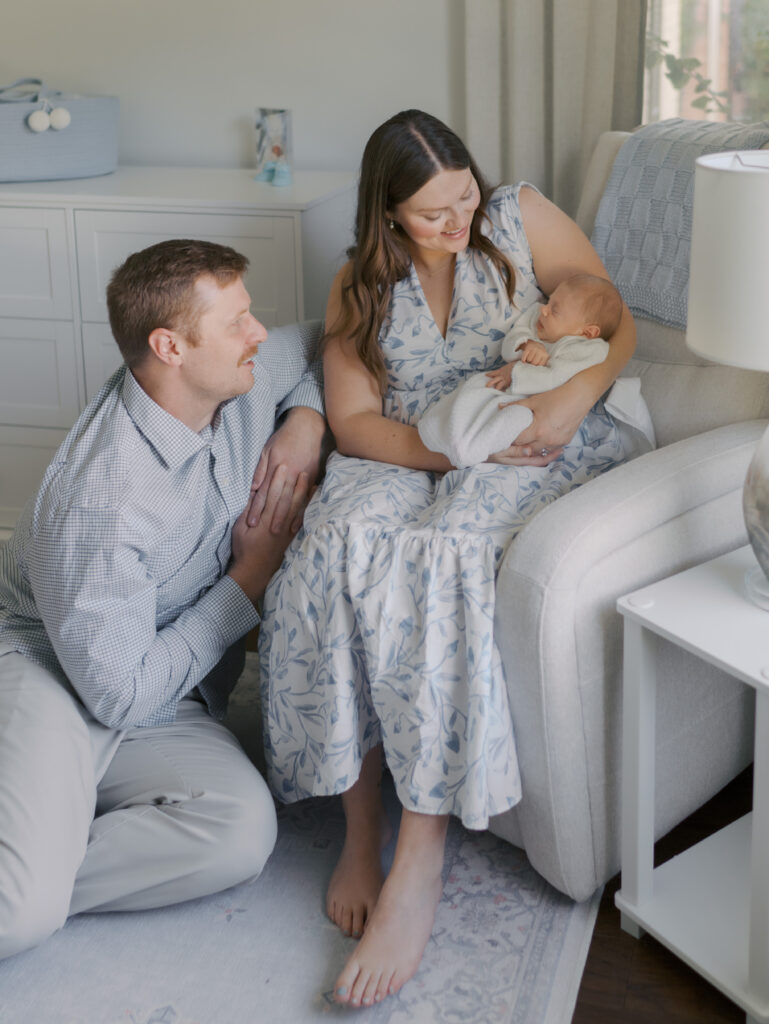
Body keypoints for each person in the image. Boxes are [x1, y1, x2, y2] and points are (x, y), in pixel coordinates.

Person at [258, 109, 637, 1009]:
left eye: (460, 195)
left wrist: (571, 404)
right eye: (430, 212)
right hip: (408, 445)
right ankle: (359, 827)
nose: (454, 220)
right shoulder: (360, 281)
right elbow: (353, 422)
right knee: (333, 546)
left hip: (524, 438)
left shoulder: (516, 217)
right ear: (387, 213)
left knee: (444, 558)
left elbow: (610, 322)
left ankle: (418, 855)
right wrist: (439, 452)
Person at [0, 238, 326, 960]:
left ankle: (40, 851)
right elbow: (120, 696)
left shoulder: (235, 385)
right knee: (17, 914)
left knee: (239, 832)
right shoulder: (101, 501)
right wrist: (249, 581)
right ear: (170, 346)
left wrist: (304, 424)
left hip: (161, 692)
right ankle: (31, 872)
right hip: (50, 674)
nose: (259, 333)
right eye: (237, 321)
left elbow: (323, 341)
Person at [417, 273, 623, 466]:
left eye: (555, 310)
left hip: (542, 407)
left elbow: (556, 377)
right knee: (474, 392)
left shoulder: (590, 349)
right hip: (507, 391)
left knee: (515, 417)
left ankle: (473, 448)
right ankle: (441, 429)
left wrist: (516, 371)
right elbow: (513, 340)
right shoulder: (539, 318)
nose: (544, 309)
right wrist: (527, 344)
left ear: (587, 332)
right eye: (549, 301)